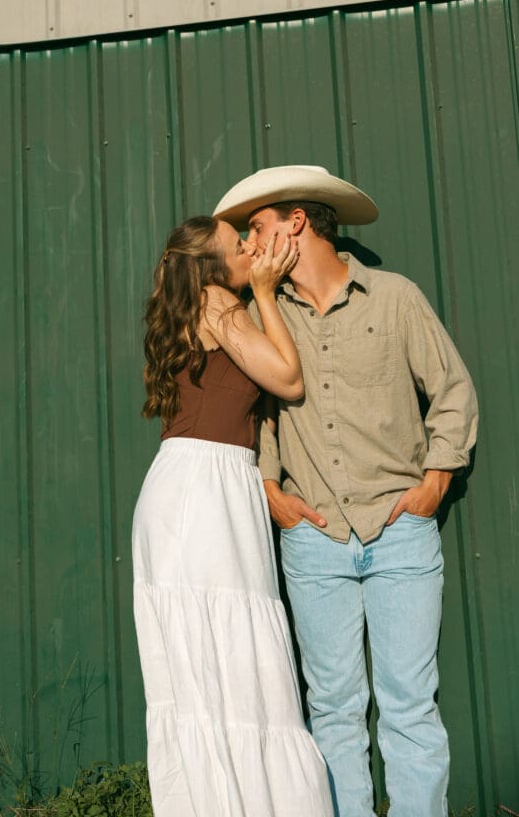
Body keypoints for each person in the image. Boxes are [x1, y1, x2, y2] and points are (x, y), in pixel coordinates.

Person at [213, 164, 479, 817]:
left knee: (409, 705)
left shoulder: (394, 298)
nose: (249, 243)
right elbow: (253, 416)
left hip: (400, 530)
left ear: (296, 224)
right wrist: (270, 493)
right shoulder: (262, 314)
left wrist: (435, 482)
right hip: (313, 540)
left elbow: (452, 392)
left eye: (257, 228)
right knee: (332, 708)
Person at [132, 215, 333, 817]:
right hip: (201, 494)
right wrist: (266, 293)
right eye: (237, 244)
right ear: (211, 268)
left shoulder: (204, 304)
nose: (250, 248)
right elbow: (288, 379)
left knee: (216, 664)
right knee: (228, 658)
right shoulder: (217, 302)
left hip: (204, 485)